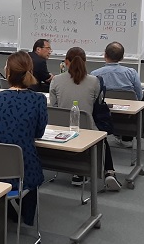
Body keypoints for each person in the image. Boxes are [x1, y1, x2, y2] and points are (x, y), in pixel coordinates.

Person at [0, 51, 47, 225]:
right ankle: (27, 217)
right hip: (26, 168)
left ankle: (7, 210)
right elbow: (39, 133)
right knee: (31, 176)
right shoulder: (39, 100)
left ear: (8, 72)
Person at [49, 47, 121, 191]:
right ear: (85, 62)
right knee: (102, 139)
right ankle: (109, 172)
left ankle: (77, 173)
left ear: (66, 62)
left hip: (61, 129)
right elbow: (95, 104)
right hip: (87, 128)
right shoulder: (94, 81)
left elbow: (54, 105)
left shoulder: (56, 80)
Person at [91, 42, 144, 146]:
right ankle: (126, 138)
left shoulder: (95, 74)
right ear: (122, 57)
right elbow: (139, 96)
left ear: (105, 55)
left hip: (103, 117)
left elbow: (93, 98)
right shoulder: (131, 73)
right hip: (128, 118)